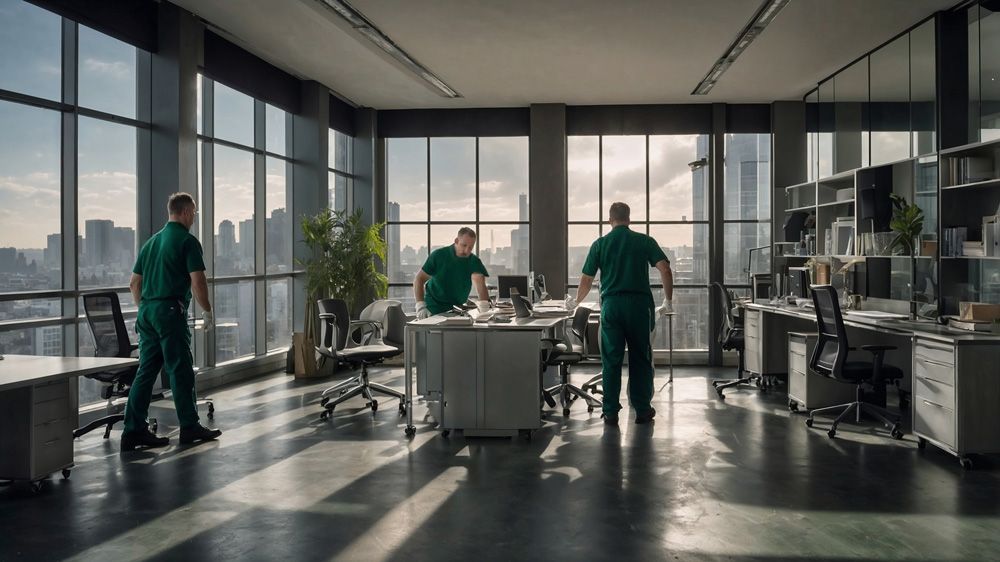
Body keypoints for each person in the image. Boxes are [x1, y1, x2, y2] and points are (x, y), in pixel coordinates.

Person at [122, 192, 222, 451]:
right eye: (194, 214)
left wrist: (146, 308)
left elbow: (134, 283)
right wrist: (207, 311)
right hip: (169, 312)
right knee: (180, 369)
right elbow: (198, 281)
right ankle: (189, 426)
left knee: (146, 371)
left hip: (147, 312)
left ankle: (133, 430)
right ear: (186, 212)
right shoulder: (187, 241)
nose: (194, 219)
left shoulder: (151, 243)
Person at [566, 202, 673, 425]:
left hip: (612, 307)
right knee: (640, 359)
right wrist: (668, 299)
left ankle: (611, 412)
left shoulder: (600, 244)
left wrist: (576, 302)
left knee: (611, 361)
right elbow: (664, 268)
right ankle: (642, 410)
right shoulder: (645, 241)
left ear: (609, 220)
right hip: (639, 308)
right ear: (629, 219)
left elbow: (586, 279)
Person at [413, 227, 491, 319]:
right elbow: (419, 279)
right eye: (464, 245)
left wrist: (485, 310)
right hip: (433, 309)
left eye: (470, 247)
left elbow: (481, 286)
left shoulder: (474, 261)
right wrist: (420, 306)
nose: (466, 251)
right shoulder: (438, 255)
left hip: (458, 310)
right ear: (456, 241)